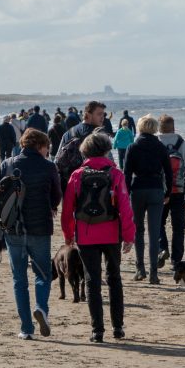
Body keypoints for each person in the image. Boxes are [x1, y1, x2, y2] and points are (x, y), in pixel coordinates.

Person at [61, 132, 135, 343]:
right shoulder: (116, 174)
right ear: (106, 149)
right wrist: (129, 236)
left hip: (86, 235)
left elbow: (68, 210)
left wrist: (68, 235)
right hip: (112, 233)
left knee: (92, 281)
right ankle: (118, 327)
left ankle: (97, 330)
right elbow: (125, 208)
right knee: (114, 279)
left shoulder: (77, 175)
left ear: (85, 151)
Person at [0, 129, 61, 340]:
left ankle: (26, 329)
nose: (48, 152)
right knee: (43, 275)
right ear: (40, 146)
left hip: (13, 229)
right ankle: (41, 308)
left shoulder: (8, 164)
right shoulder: (49, 166)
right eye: (47, 148)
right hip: (40, 229)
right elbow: (57, 196)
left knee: (19, 279)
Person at [123, 115, 172, 283]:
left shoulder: (133, 147)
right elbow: (168, 171)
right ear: (155, 128)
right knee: (154, 232)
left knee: (138, 230)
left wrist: (126, 193)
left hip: (138, 189)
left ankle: (140, 269)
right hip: (156, 188)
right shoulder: (160, 147)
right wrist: (168, 193)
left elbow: (127, 173)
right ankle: (153, 273)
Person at [157, 115, 185, 270]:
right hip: (179, 190)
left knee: (159, 222)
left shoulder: (155, 143)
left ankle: (162, 248)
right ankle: (176, 260)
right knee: (178, 226)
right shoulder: (183, 144)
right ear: (173, 126)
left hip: (160, 190)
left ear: (158, 127)